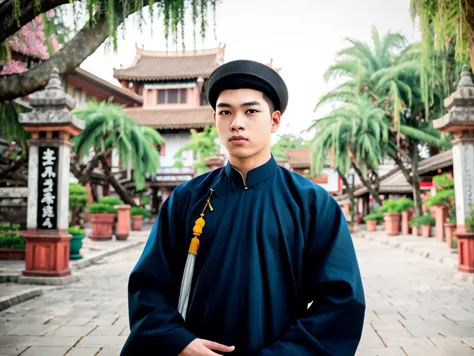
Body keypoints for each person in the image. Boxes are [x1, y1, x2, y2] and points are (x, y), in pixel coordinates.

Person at [120, 59, 366, 356]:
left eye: (250, 111)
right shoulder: (186, 200)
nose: (236, 122)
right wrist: (178, 341)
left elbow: (340, 300)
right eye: (226, 112)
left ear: (274, 121)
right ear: (215, 120)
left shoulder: (311, 203)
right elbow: (149, 285)